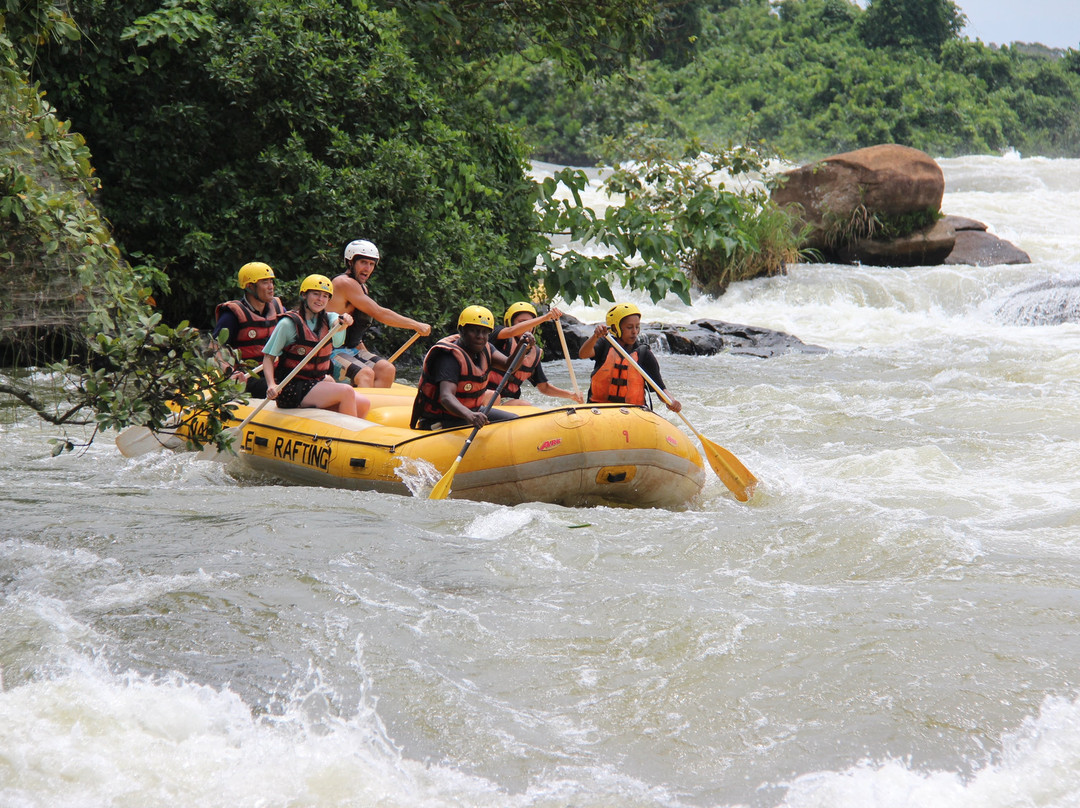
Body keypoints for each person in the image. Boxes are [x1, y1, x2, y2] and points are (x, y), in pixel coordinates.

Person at [261, 275, 371, 418]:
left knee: (364, 403)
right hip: (290, 388)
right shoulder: (288, 324)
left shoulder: (330, 318)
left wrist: (343, 323)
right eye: (316, 294)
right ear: (304, 295)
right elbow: (269, 357)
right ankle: (349, 435)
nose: (320, 299)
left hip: (316, 382)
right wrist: (271, 384)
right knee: (346, 392)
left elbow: (336, 329)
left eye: (325, 296)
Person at [327, 239, 431, 388]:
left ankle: (372, 409)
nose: (367, 268)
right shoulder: (344, 283)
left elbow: (354, 334)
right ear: (350, 262)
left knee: (386, 369)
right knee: (365, 372)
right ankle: (355, 409)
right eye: (363, 262)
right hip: (327, 351)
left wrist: (368, 357)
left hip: (349, 349)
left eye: (371, 264)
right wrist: (415, 325)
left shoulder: (362, 288)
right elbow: (379, 313)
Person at [410, 305, 526, 430]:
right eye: (474, 330)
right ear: (462, 330)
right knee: (485, 427)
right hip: (442, 419)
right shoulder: (448, 357)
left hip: (471, 412)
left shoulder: (486, 348)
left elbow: (510, 366)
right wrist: (469, 415)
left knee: (513, 420)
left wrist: (522, 346)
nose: (480, 336)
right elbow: (446, 397)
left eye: (485, 332)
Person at [578, 302, 682, 413]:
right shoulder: (605, 344)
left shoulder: (644, 354)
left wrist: (671, 401)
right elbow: (583, 354)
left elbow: (660, 389)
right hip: (600, 410)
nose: (634, 332)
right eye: (629, 327)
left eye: (637, 327)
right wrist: (595, 337)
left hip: (634, 412)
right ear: (615, 328)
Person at [485, 302, 585, 407]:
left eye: (531, 323)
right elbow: (510, 331)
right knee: (524, 405)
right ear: (510, 323)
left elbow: (544, 387)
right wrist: (545, 318)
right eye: (522, 322)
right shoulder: (499, 336)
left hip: (508, 401)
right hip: (486, 397)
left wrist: (571, 395)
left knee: (526, 406)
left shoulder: (534, 353)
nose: (528, 327)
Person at [211, 261, 286, 397]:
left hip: (274, 372)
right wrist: (228, 372)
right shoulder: (232, 315)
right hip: (248, 377)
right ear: (250, 286)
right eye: (265, 282)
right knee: (284, 390)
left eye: (271, 282)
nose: (271, 287)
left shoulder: (278, 309)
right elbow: (215, 347)